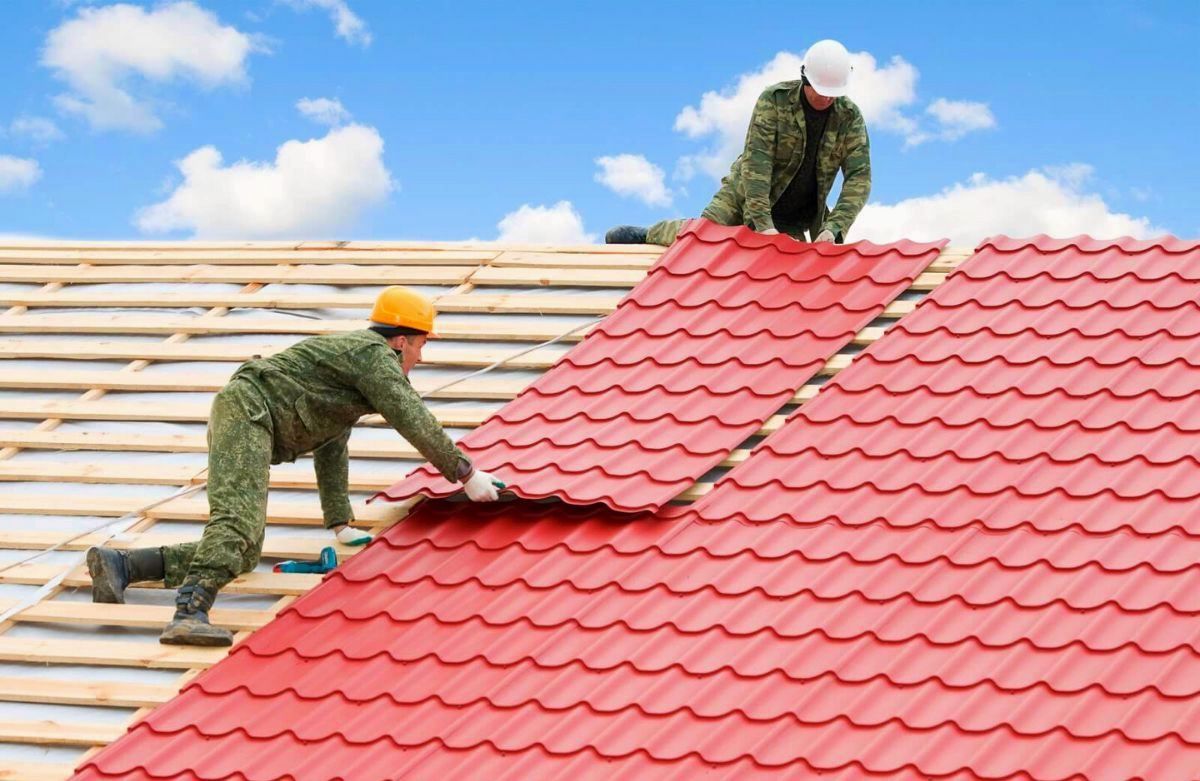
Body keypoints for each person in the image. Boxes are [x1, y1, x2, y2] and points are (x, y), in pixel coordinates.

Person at [85, 286, 502, 646]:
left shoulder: (352, 376)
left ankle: (123, 566)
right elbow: (412, 417)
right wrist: (465, 473)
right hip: (249, 411)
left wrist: (339, 521)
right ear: (401, 341)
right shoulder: (373, 357)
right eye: (422, 345)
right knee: (236, 526)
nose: (421, 358)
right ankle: (188, 614)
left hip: (250, 416)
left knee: (245, 552)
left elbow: (332, 442)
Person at [607, 39, 871, 246]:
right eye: (821, 91)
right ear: (805, 79)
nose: (826, 99)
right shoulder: (774, 101)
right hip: (743, 194)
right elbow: (757, 164)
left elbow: (859, 178)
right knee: (702, 239)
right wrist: (763, 225)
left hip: (794, 216)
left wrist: (834, 227)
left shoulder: (849, 118)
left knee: (784, 269)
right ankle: (649, 234)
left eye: (832, 94)